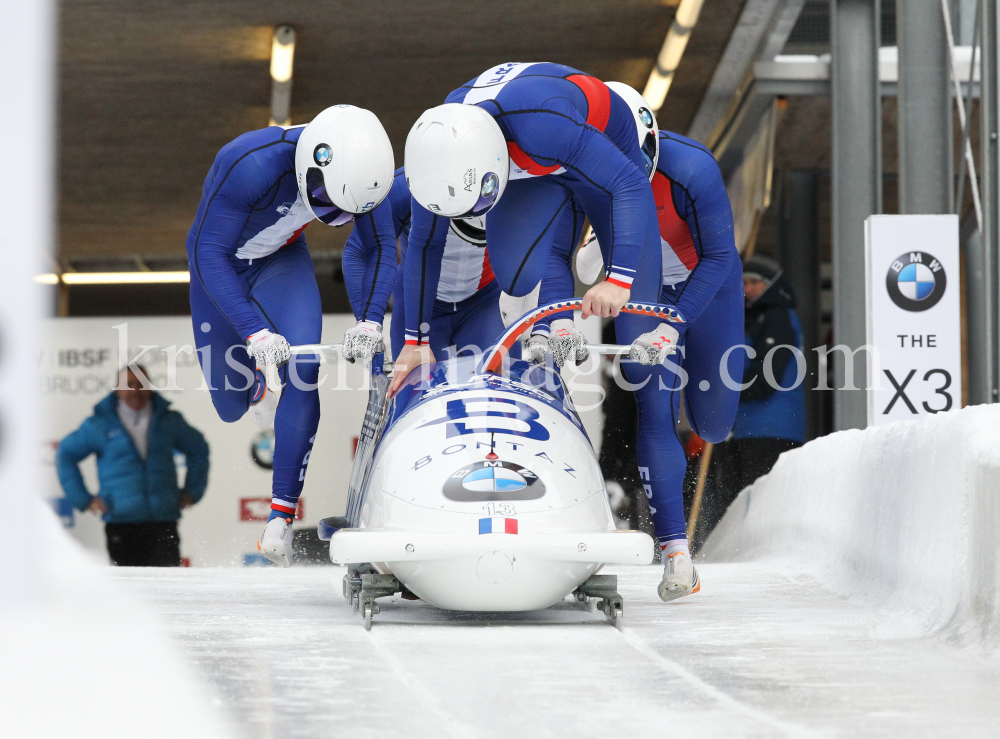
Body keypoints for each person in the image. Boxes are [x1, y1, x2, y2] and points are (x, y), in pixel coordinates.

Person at [397, 64, 717, 601]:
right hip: (531, 179)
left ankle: (676, 550)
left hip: (605, 173)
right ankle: (554, 307)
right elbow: (425, 249)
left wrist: (618, 281)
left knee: (646, 366)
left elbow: (629, 184)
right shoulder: (437, 153)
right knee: (519, 268)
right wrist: (413, 339)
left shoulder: (541, 124)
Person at [527, 80, 745, 600]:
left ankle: (677, 524)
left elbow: (718, 256)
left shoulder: (691, 168)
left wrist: (675, 325)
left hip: (704, 287)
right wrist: (559, 322)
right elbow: (552, 256)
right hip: (640, 289)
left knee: (714, 424)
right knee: (651, 402)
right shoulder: (575, 171)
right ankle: (675, 553)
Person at [186, 105, 395, 567]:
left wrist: (369, 319)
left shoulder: (367, 176)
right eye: (327, 204)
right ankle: (259, 378)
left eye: (344, 213)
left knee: (305, 369)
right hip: (219, 268)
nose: (334, 215)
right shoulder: (250, 162)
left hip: (282, 260)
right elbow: (206, 253)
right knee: (229, 407)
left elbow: (380, 247)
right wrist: (255, 333)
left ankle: (280, 513)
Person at [55, 364, 210, 566]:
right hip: (120, 522)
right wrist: (83, 499)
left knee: (168, 589)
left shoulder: (169, 420)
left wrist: (193, 491)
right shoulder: (99, 425)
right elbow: (65, 454)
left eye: (141, 384)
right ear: (117, 389)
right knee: (127, 592)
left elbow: (198, 448)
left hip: (163, 521)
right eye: (129, 384)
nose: (136, 390)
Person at [710, 255, 805, 531]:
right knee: (743, 503)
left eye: (755, 283)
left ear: (772, 285)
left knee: (760, 508)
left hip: (772, 427)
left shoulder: (778, 318)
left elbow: (767, 377)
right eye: (745, 283)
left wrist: (725, 395)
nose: (749, 289)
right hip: (750, 427)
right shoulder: (754, 317)